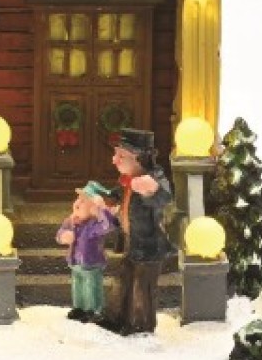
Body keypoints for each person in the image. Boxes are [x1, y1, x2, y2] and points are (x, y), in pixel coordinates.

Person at [103, 129, 175, 335]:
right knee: (123, 282)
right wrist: (107, 200)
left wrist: (152, 190)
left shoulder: (153, 178)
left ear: (137, 158)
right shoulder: (126, 179)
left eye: (120, 156)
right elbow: (116, 195)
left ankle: (141, 327)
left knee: (141, 289)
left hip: (149, 247)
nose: (114, 160)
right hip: (132, 244)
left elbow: (164, 196)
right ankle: (118, 319)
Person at [56, 181, 120, 322]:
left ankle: (94, 309)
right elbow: (60, 233)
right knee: (77, 285)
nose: (78, 203)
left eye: (83, 201)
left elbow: (109, 226)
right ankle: (79, 307)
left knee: (91, 287)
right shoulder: (71, 221)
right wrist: (63, 236)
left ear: (93, 209)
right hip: (75, 262)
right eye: (78, 199)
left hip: (92, 263)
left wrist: (102, 210)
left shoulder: (94, 225)